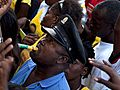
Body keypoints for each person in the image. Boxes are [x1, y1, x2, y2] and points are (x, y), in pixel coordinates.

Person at [10, 14, 86, 90]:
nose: (42, 41)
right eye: (46, 37)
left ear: (62, 59)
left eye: (50, 41)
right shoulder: (30, 64)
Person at [83, 0, 120, 90]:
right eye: (91, 18)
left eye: (96, 23)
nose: (90, 24)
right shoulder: (98, 43)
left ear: (112, 27)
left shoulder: (106, 59)